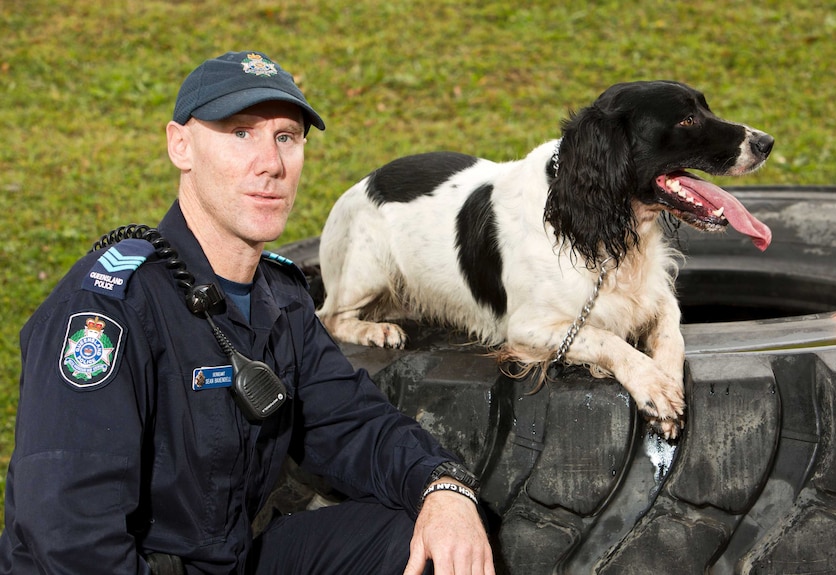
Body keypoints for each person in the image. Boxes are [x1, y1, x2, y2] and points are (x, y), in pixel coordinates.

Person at [0, 51, 494, 575]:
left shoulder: (279, 295)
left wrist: (443, 488)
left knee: (423, 540)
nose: (271, 164)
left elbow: (352, 424)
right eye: (240, 133)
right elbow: (71, 538)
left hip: (230, 561)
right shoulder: (108, 308)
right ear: (181, 146)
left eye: (286, 137)